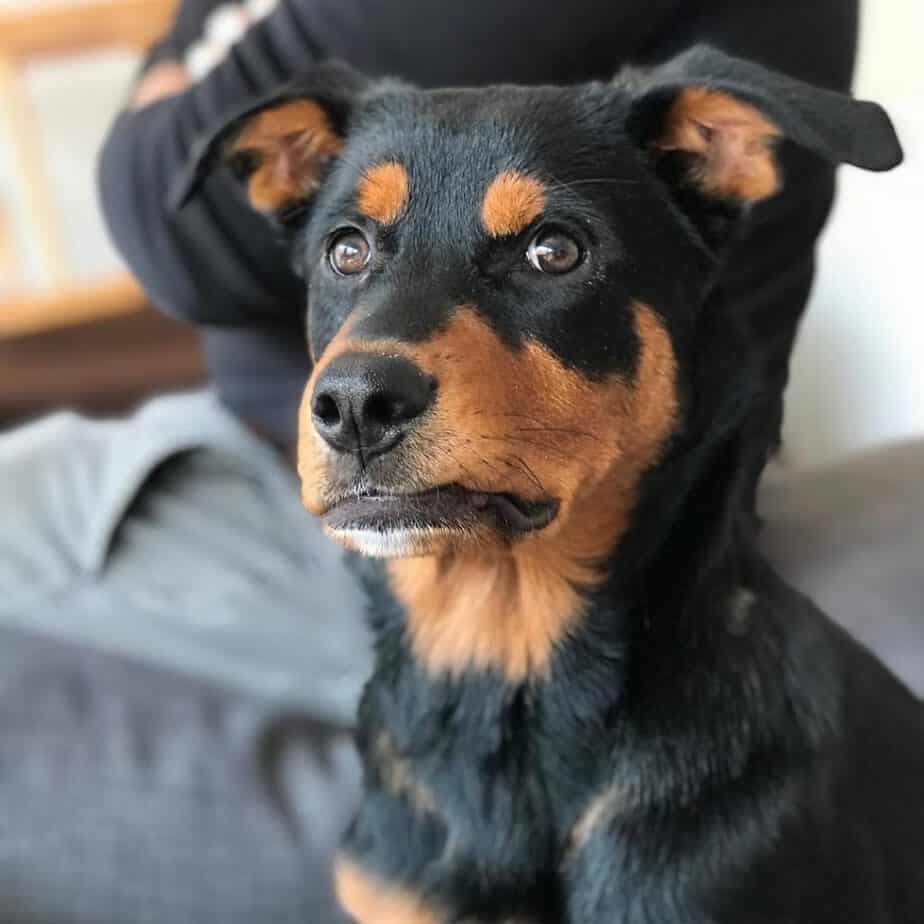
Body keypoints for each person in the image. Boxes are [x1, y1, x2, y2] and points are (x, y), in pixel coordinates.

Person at [7, 1, 908, 922]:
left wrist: (165, 104)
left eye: (551, 250)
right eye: (350, 250)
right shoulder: (393, 848)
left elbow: (162, 226)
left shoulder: (759, 841)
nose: (357, 384)